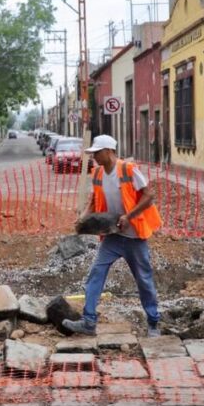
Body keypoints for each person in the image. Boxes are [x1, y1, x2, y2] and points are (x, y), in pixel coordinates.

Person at [62, 134, 165, 338]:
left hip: (134, 236)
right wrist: (83, 217)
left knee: (143, 279)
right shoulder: (98, 173)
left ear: (108, 151)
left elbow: (149, 195)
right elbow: (94, 200)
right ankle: (89, 321)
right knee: (96, 274)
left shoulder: (127, 169)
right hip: (112, 236)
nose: (94, 157)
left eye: (97, 153)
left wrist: (129, 216)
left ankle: (153, 322)